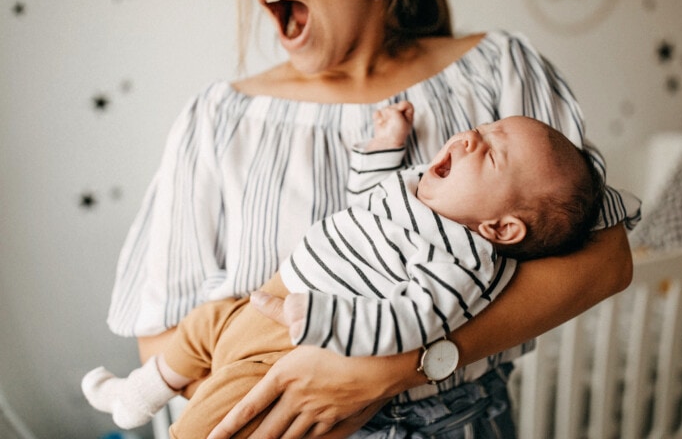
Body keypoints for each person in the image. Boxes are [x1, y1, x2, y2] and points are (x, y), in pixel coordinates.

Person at [106, 0, 641, 437]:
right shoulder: (217, 121)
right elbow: (161, 344)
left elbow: (605, 259)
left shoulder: (499, 71)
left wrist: (388, 371)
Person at [85, 102, 606, 436]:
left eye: (492, 154)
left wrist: (319, 320)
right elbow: (365, 199)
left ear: (502, 229)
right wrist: (386, 147)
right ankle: (138, 396)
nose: (471, 137)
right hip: (259, 309)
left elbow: (412, 322)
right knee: (203, 325)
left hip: (294, 349)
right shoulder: (418, 190)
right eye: (486, 128)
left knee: (224, 413)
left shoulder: (464, 264)